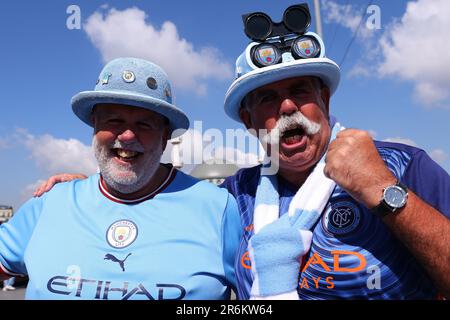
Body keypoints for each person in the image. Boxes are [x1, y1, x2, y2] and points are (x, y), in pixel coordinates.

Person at [35, 7, 450, 300]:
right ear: (250, 121)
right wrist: (92, 189)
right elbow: (163, 199)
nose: (287, 107)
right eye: (267, 98)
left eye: (300, 91)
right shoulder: (235, 194)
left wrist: (384, 192)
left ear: (324, 99)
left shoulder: (402, 165)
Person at [0, 57, 242, 300]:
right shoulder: (48, 203)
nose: (127, 136)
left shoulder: (218, 209)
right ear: (95, 125)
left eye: (144, 124)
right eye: (114, 120)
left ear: (165, 135)